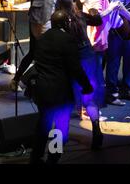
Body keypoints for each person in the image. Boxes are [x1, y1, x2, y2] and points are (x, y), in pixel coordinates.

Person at [56, 0, 119, 149]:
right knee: (89, 98)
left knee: (64, 100)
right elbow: (98, 21)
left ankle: (58, 141)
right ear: (73, 4)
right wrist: (86, 6)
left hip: (72, 60)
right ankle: (96, 130)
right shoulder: (81, 16)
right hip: (88, 58)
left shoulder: (59, 19)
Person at [29, 10, 93, 164]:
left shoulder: (41, 39)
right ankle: (53, 158)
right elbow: (75, 68)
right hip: (61, 93)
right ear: (66, 23)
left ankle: (35, 158)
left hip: (43, 90)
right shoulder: (68, 40)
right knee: (60, 127)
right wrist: (86, 86)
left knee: (43, 125)